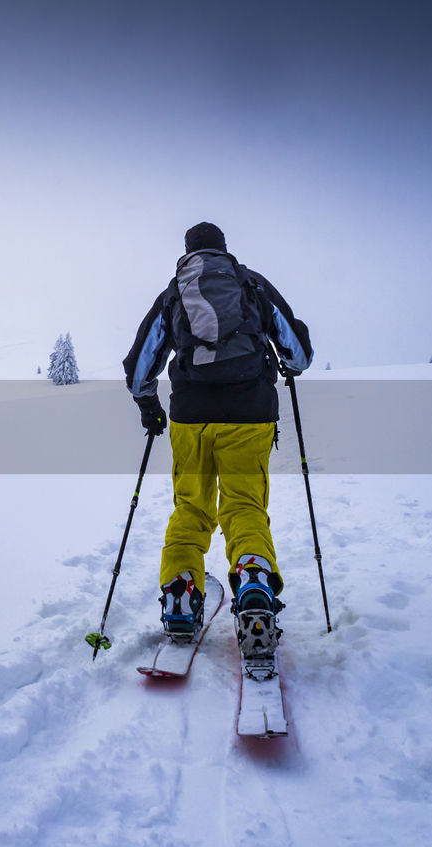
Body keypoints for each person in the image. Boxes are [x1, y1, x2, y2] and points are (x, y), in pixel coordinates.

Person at [122, 222, 313, 657]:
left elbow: (139, 368)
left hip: (192, 417)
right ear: (224, 250)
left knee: (191, 507)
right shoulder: (251, 284)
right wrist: (288, 367)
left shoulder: (174, 294)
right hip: (250, 413)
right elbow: (298, 353)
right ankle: (253, 583)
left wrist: (149, 406)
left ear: (187, 253)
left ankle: (181, 597)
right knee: (244, 506)